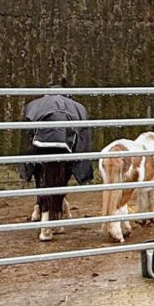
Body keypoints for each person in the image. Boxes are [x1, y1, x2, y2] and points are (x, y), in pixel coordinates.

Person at [20, 83, 92, 241]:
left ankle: (43, 216)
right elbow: (83, 137)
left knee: (41, 176)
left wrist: (27, 165)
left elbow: (26, 133)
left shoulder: (35, 105)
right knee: (60, 179)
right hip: (64, 142)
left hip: (40, 142)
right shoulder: (76, 107)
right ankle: (54, 219)